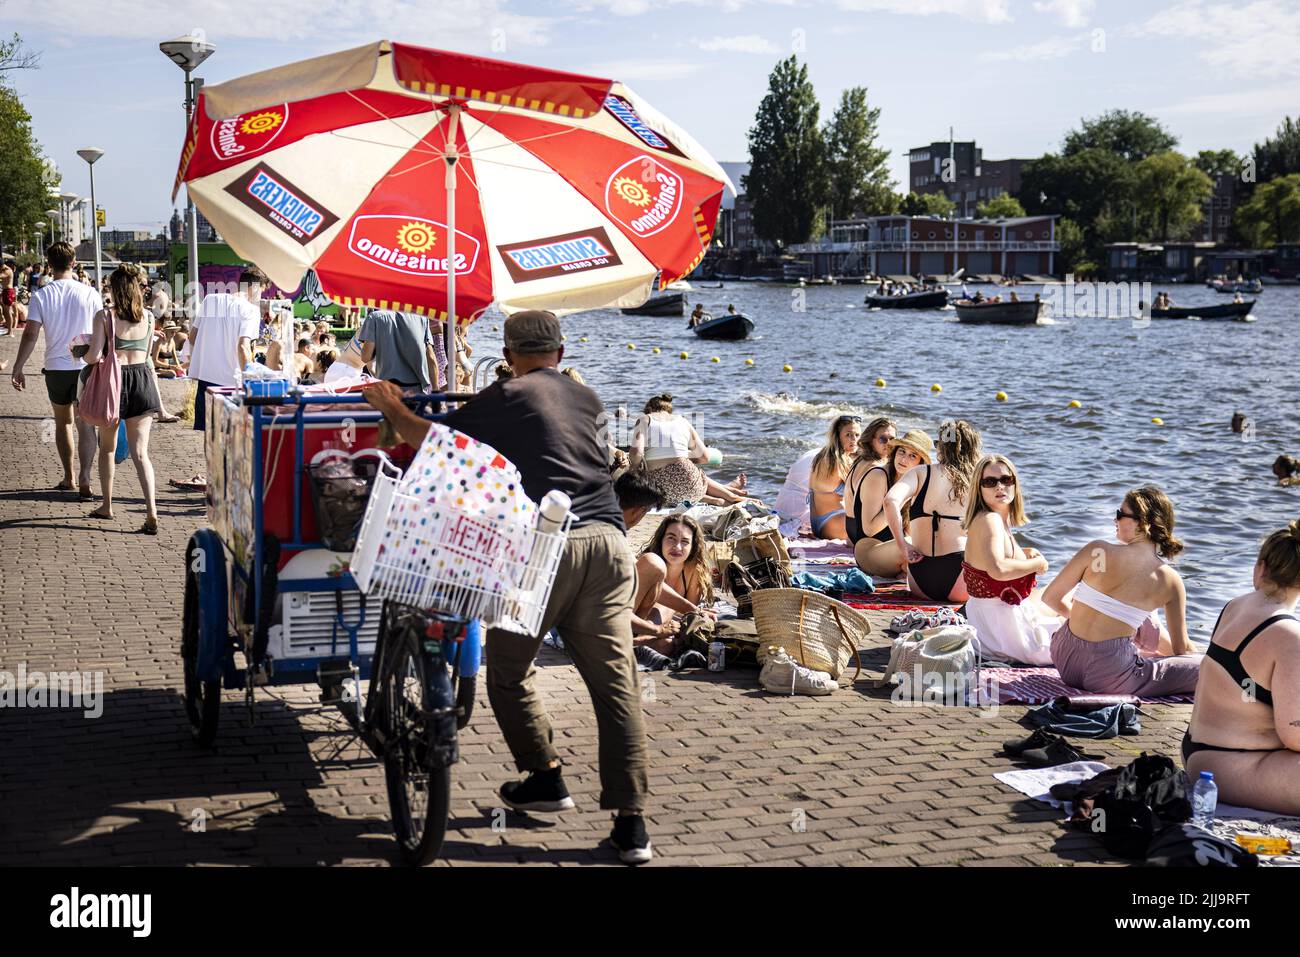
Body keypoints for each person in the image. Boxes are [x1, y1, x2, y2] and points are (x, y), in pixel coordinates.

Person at [363, 309, 653, 865]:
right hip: (613, 546)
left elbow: (440, 446)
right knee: (617, 686)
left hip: (550, 550)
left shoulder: (508, 395)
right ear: (561, 355)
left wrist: (394, 408)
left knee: (509, 670)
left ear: (509, 355)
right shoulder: (587, 399)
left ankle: (545, 774)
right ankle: (632, 824)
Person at [1182, 521, 1300, 814]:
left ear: (1261, 569)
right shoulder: (1289, 635)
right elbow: (1294, 735)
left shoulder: (1235, 605)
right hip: (1233, 766)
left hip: (1198, 754)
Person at [1041, 486, 1201, 695]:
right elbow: (1181, 650)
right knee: (1203, 667)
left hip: (1064, 659)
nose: (1114, 520)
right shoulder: (1169, 579)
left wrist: (1084, 624)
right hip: (1109, 677)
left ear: (1143, 523)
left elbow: (1050, 597)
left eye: (1119, 514)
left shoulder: (1096, 550)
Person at [9, 242, 102, 497]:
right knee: (86, 425)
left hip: (56, 368)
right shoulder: (90, 293)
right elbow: (101, 332)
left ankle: (69, 476)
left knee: (63, 424)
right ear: (73, 263)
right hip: (85, 367)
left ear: (49, 265)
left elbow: (30, 334)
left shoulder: (42, 295)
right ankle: (86, 476)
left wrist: (18, 367)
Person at [81, 265, 162, 533]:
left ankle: (107, 505)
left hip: (113, 385)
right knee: (141, 454)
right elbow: (148, 355)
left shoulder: (104, 316)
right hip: (142, 381)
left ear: (114, 290)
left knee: (108, 448)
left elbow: (94, 356)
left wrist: (81, 354)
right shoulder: (149, 318)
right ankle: (151, 511)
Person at [960, 455, 1058, 664]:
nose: (1000, 486)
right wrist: (1037, 564)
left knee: (1067, 598)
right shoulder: (991, 520)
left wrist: (1023, 553)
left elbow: (992, 557)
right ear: (979, 488)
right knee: (1080, 622)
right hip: (1003, 632)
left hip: (989, 624)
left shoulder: (992, 519)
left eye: (1006, 480)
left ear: (1015, 483)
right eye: (990, 482)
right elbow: (998, 569)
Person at [883, 420, 982, 602]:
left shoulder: (921, 473)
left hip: (920, 580)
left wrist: (902, 545)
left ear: (941, 448)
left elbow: (890, 501)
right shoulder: (977, 480)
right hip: (961, 579)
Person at [628, 394, 748, 506]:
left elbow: (636, 453)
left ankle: (727, 493)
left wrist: (636, 470)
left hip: (661, 493)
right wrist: (682, 456)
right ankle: (730, 495)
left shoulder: (645, 419)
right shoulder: (683, 421)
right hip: (693, 489)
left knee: (660, 477)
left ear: (648, 409)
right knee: (692, 471)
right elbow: (704, 457)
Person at [187, 268, 263, 434]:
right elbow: (243, 347)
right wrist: (251, 381)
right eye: (260, 293)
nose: (259, 298)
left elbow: (192, 337)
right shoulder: (251, 310)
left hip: (205, 380)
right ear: (254, 287)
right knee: (233, 441)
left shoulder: (209, 299)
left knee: (212, 442)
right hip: (231, 383)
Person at [848, 426, 931, 578]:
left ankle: (907, 572)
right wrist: (899, 498)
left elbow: (911, 531)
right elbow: (870, 530)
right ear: (895, 452)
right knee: (910, 550)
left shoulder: (914, 483)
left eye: (913, 456)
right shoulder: (878, 476)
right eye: (902, 452)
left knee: (929, 549)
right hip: (868, 551)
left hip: (895, 550)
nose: (904, 459)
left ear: (920, 463)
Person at [632, 514, 715, 662]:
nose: (677, 547)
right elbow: (687, 608)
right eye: (671, 538)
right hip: (629, 620)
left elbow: (688, 616)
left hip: (654, 630)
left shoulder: (694, 571)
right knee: (666, 606)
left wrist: (698, 615)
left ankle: (635, 643)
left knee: (667, 645)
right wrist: (695, 611)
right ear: (661, 540)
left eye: (685, 541)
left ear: (692, 546)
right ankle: (631, 640)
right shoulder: (648, 563)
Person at [358, 309, 442, 392]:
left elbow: (366, 357)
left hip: (388, 390)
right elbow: (430, 357)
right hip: (416, 389)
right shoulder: (421, 318)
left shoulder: (374, 317)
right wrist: (435, 388)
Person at [807, 415, 862, 540]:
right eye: (848, 435)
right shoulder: (840, 462)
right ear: (838, 436)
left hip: (818, 524)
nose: (854, 439)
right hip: (834, 523)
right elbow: (862, 492)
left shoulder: (823, 455)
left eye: (857, 435)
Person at [1, 258, 16, 337]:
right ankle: (9, 330)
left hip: (8, 291)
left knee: (8, 311)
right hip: (5, 291)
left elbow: (1, 276)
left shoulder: (8, 270)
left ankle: (11, 331)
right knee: (6, 312)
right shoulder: (4, 269)